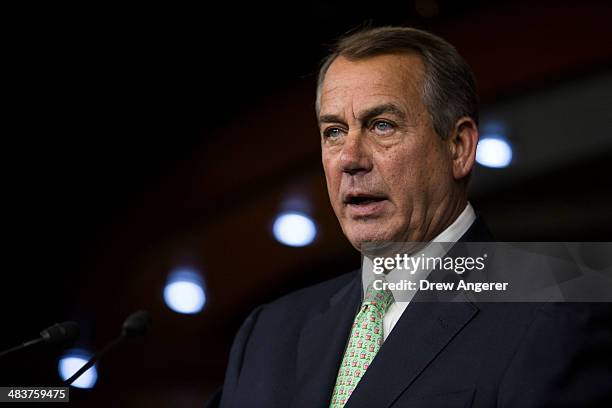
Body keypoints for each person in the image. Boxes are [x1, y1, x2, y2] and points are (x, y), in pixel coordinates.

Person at [206, 27, 612, 407]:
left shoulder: (557, 309)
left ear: (458, 147)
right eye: (333, 131)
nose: (349, 158)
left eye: (382, 125)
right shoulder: (268, 332)